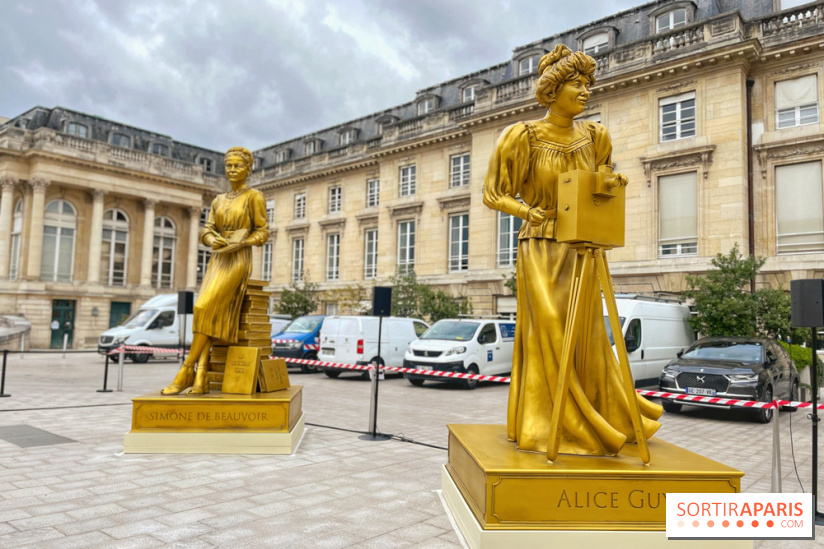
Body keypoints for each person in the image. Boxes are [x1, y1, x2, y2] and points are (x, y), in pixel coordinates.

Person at [482, 44, 662, 456]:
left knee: (587, 334)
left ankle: (597, 416)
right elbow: (494, 194)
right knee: (549, 329)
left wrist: (612, 183)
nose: (585, 92)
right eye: (576, 84)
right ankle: (549, 425)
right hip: (541, 247)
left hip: (583, 247)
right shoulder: (522, 135)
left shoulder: (596, 136)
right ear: (553, 89)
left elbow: (601, 180)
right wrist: (528, 211)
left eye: (587, 85)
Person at [162, 146, 269, 395]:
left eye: (238, 165)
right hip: (218, 258)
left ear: (248, 168)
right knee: (208, 313)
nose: (232, 170)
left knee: (202, 307)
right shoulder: (218, 200)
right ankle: (201, 379)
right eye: (229, 165)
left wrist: (243, 241)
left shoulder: (254, 197)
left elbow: (263, 232)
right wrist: (211, 240)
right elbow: (206, 229)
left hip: (239, 258)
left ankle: (186, 369)